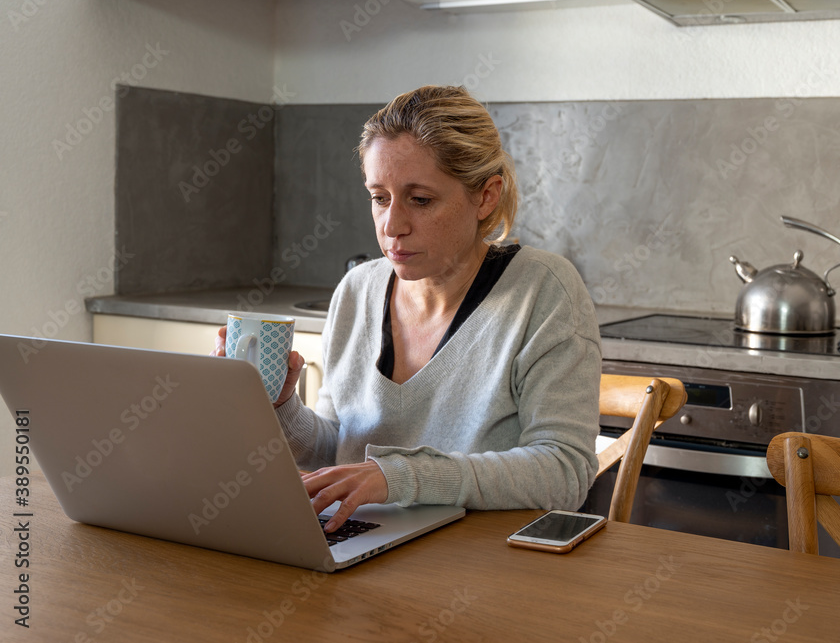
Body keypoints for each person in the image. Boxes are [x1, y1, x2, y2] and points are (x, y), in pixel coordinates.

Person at [216, 86, 602, 532]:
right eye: (380, 197)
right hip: (361, 540)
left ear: (486, 196)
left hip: (482, 566)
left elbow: (564, 472)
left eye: (420, 200)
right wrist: (283, 407)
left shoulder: (543, 291)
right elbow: (342, 450)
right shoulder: (357, 291)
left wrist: (400, 477)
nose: (392, 226)